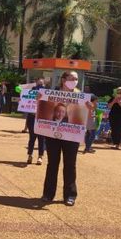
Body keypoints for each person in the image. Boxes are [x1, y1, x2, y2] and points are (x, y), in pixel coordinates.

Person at [41, 71, 83, 206]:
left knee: (70, 165)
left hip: (71, 136)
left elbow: (85, 114)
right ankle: (48, 194)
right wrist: (38, 99)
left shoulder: (80, 96)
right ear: (63, 80)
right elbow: (42, 107)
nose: (75, 81)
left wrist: (90, 107)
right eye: (72, 78)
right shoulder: (52, 93)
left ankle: (70, 195)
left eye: (76, 79)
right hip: (53, 134)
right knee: (52, 164)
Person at [26, 78, 46, 165]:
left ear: (44, 85)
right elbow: (26, 100)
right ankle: (29, 155)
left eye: (41, 84)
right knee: (32, 138)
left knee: (41, 139)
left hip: (41, 120)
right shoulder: (31, 91)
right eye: (38, 84)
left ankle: (40, 157)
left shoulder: (46, 95)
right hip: (32, 118)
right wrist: (22, 101)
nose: (39, 86)